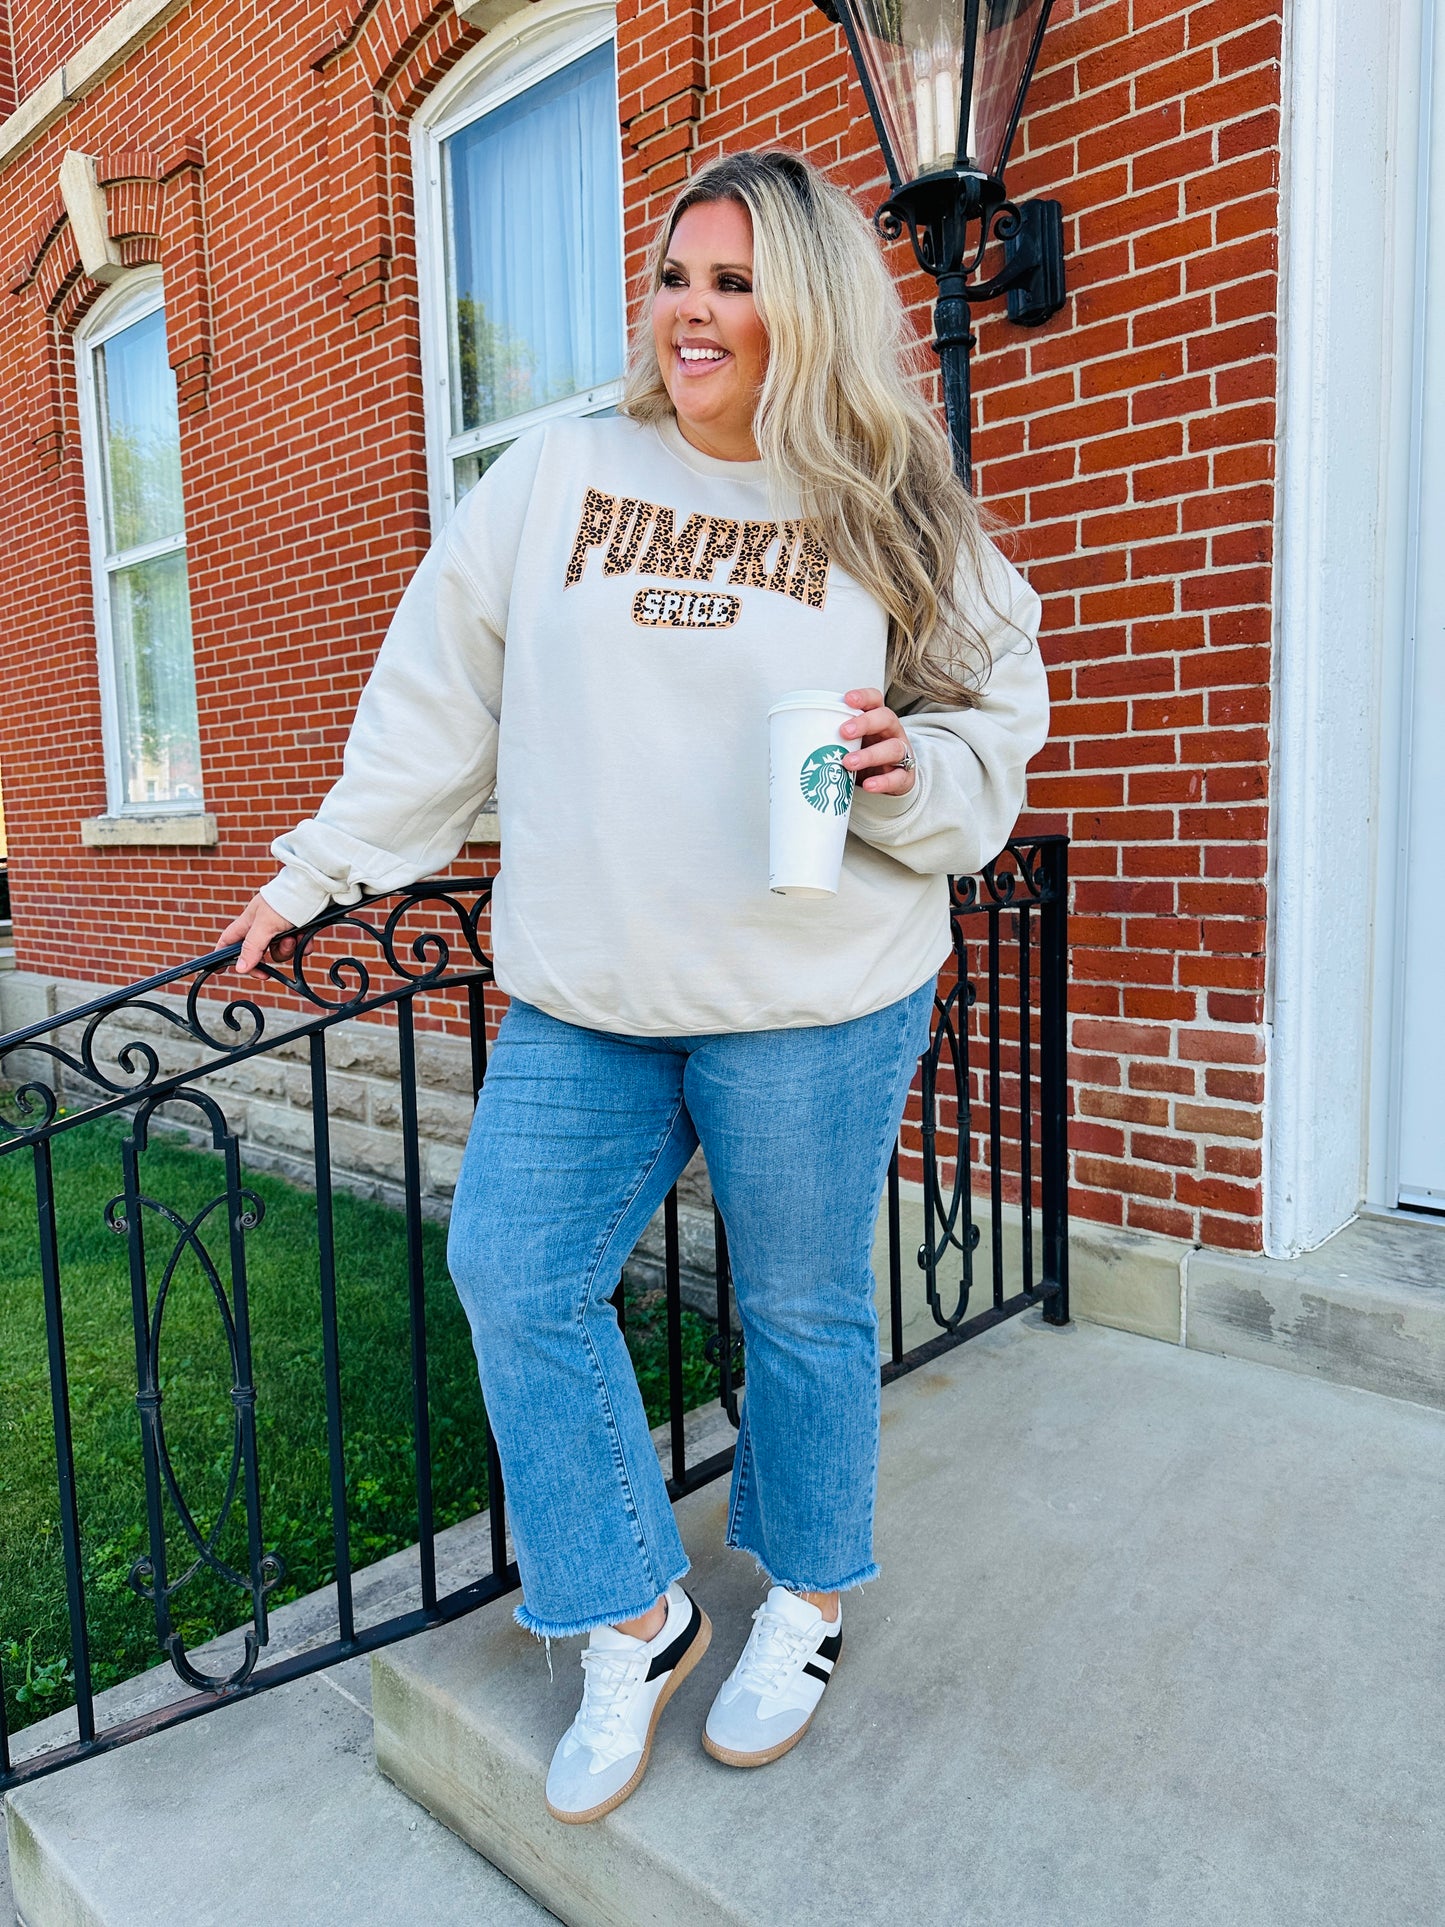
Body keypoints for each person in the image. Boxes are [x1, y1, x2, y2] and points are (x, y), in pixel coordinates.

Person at [222, 148, 1049, 1825]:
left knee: (800, 1314)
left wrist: (909, 771)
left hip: (814, 992)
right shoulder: (559, 472)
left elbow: (989, 735)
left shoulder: (896, 506)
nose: (690, 312)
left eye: (733, 283)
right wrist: (316, 869)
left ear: (806, 307)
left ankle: (804, 1602)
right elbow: (436, 691)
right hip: (589, 988)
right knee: (516, 1271)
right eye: (675, 275)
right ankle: (629, 1612)